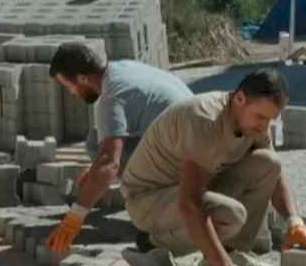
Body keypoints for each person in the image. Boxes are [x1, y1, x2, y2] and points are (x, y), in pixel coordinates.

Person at [119, 69, 306, 266]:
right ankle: (151, 246)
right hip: (148, 198)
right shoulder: (204, 120)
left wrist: (295, 221)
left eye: (270, 120)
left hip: (187, 187)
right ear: (239, 98)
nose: (264, 126)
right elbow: (191, 204)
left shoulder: (251, 120)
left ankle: (230, 251)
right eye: (260, 117)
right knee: (230, 215)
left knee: (268, 163)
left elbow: (275, 172)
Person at [44, 42, 194, 253]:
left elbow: (109, 163)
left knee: (105, 156)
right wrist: (98, 168)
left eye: (68, 86)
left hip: (192, 162)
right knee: (97, 140)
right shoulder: (122, 69)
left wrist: (74, 218)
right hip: (189, 139)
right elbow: (107, 152)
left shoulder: (111, 97)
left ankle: (152, 210)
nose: (71, 93)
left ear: (82, 79)